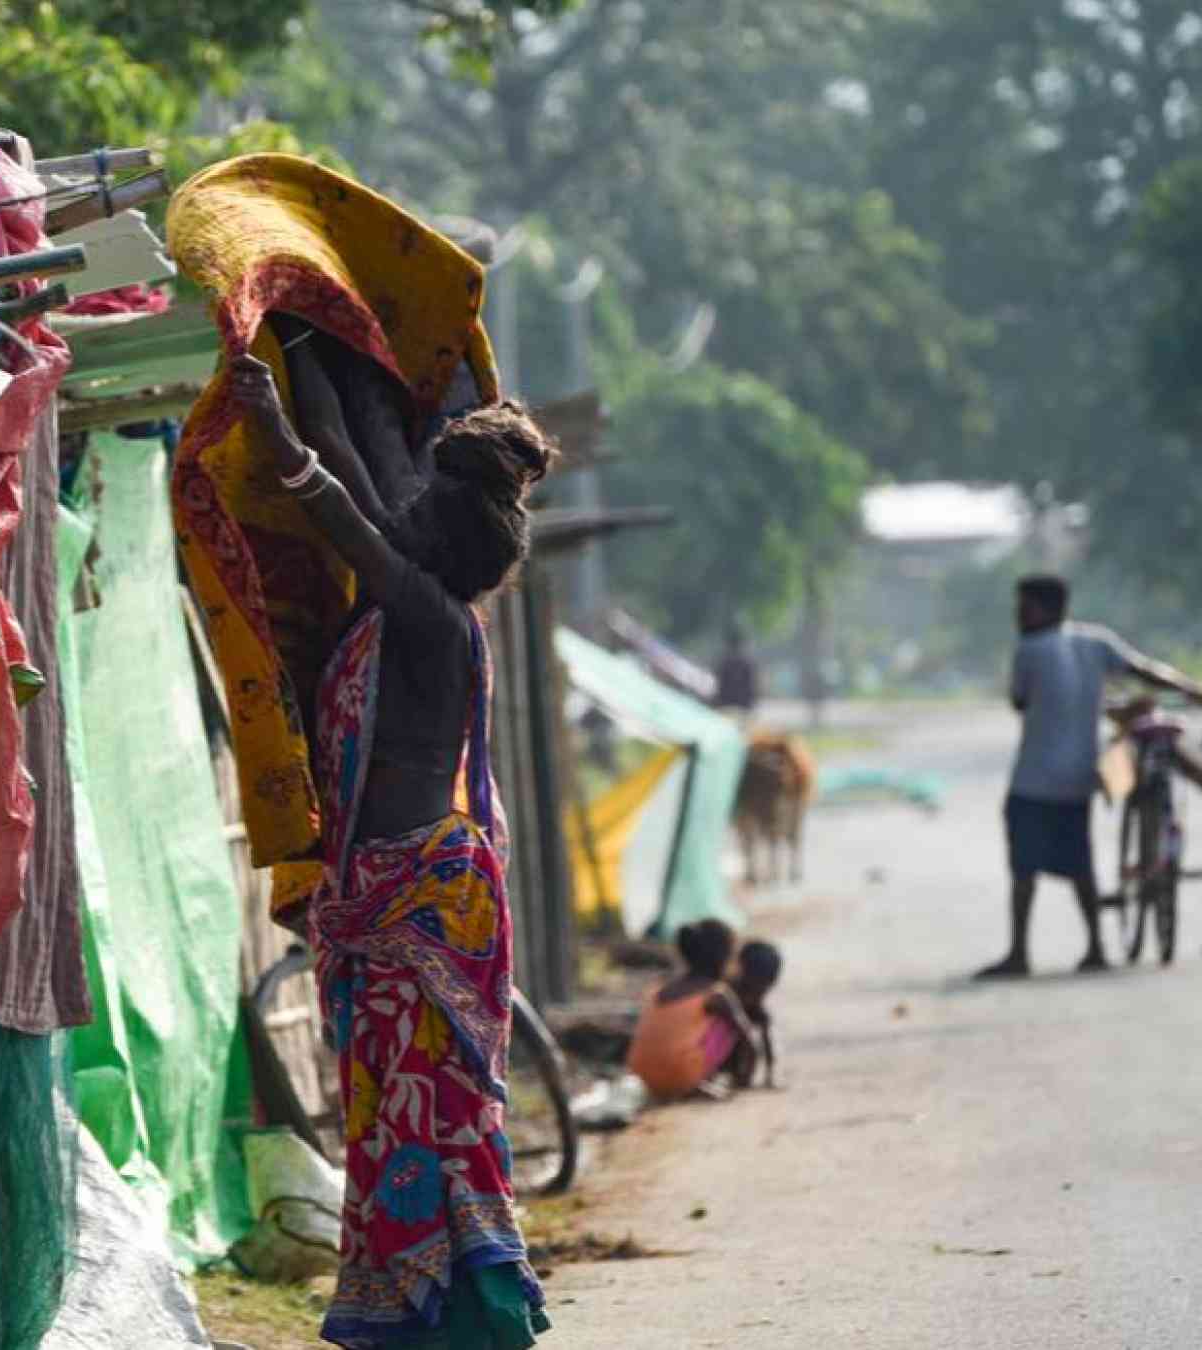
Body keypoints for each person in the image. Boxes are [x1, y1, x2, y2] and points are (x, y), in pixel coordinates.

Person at [232, 314, 554, 1350]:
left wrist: (276, 423)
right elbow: (352, 484)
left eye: (418, 507)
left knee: (419, 1122)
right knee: (390, 1120)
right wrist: (300, 348)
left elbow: (338, 508)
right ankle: (427, 1312)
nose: (400, 507)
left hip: (415, 894)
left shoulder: (423, 613)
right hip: (394, 894)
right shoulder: (415, 599)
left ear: (441, 537)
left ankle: (453, 1315)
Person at [977, 575, 1202, 979]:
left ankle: (1019, 952)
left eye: (1024, 606)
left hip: (1033, 779)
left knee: (1024, 869)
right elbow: (1145, 670)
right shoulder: (1096, 642)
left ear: (1047, 608)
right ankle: (1096, 946)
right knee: (1080, 864)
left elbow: (1020, 701)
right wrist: (1192, 689)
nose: (1018, 615)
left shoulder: (1029, 649)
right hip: (1079, 779)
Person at [627, 919, 758, 1099]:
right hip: (682, 1075)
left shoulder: (657, 990)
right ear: (723, 956)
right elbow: (748, 1038)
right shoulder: (716, 994)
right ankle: (715, 1080)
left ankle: (689, 1078)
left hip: (642, 1077)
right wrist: (746, 1080)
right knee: (729, 1024)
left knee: (690, 1027)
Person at [732, 939, 783, 1088]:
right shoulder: (728, 991)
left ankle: (741, 1076)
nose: (762, 992)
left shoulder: (755, 1001)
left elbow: (766, 1038)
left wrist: (770, 1075)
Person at [714, 622, 759, 714]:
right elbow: (752, 689)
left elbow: (719, 686)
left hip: (726, 706)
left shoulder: (724, 663)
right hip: (742, 707)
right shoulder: (748, 664)